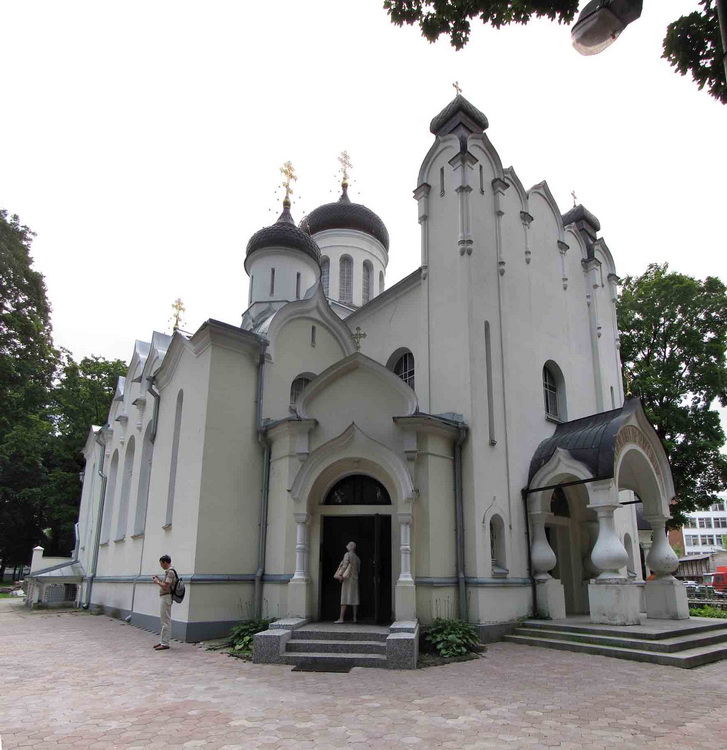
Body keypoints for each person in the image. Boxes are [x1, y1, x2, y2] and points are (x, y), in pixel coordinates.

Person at [152, 555, 176, 650]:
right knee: (163, 620)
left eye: (161, 563)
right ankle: (162, 641)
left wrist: (157, 581)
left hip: (166, 597)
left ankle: (165, 643)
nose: (161, 565)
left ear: (165, 562)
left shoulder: (170, 572)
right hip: (165, 597)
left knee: (165, 621)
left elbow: (166, 586)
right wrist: (160, 579)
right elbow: (166, 584)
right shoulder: (168, 572)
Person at [334, 541, 361, 623]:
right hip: (355, 579)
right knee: (354, 599)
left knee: (344, 598)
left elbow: (344, 565)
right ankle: (354, 618)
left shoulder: (347, 554)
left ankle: (341, 618)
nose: (347, 546)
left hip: (347, 579)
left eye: (349, 544)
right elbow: (358, 570)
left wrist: (340, 574)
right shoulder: (357, 558)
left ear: (351, 546)